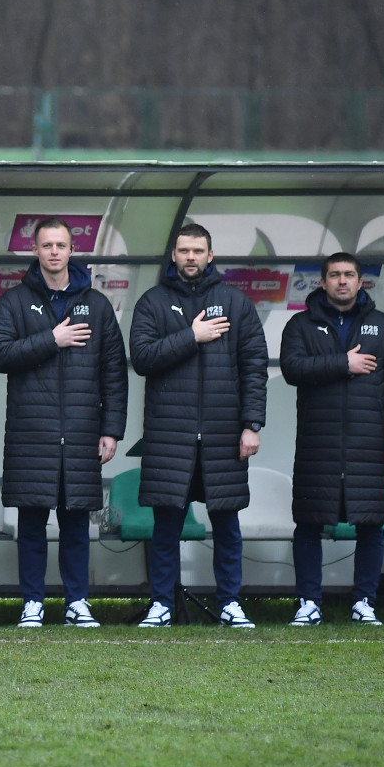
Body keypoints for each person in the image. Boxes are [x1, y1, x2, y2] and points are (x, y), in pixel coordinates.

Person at [0, 217, 127, 628]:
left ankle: (76, 602)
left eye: (60, 245)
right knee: (31, 524)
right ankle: (32, 602)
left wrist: (111, 429)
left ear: (71, 250)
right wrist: (52, 339)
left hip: (82, 432)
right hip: (32, 432)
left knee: (76, 523)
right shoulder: (14, 301)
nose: (53, 252)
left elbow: (114, 372)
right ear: (35, 250)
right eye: (46, 245)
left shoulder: (97, 304)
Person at [128, 223, 268, 628]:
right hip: (169, 434)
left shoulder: (236, 302)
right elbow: (142, 357)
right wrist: (191, 336)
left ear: (210, 255)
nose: (190, 257)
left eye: (198, 251)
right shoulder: (153, 301)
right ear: (173, 255)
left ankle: (230, 603)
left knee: (226, 523)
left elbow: (254, 366)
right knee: (166, 525)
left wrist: (251, 424)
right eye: (184, 250)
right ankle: (161, 605)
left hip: (224, 435)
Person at [279, 252, 384, 626]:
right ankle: (308, 602)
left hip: (369, 444)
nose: (342, 281)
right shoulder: (300, 325)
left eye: (349, 275)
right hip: (317, 443)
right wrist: (343, 363)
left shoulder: (383, 327)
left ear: (360, 281)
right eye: (335, 275)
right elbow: (292, 368)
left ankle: (364, 602)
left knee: (371, 523)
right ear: (322, 282)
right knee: (309, 523)